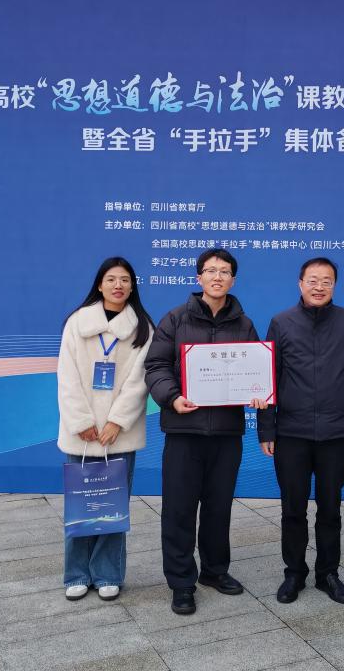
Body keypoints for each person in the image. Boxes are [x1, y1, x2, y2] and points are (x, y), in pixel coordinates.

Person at [144, 248, 259, 616]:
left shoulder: (244, 324)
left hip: (226, 433)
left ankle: (214, 570)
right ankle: (181, 582)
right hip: (184, 431)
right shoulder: (175, 319)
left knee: (218, 507)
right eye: (210, 271)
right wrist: (172, 397)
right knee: (178, 509)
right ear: (199, 278)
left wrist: (260, 392)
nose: (217, 277)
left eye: (224, 271)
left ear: (233, 280)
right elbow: (156, 366)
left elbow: (256, 369)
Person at [253, 258, 344, 605]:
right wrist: (266, 430)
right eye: (313, 280)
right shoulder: (282, 322)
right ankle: (294, 573)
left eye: (326, 281)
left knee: (330, 508)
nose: (319, 287)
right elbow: (268, 377)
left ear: (334, 285)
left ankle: (328, 573)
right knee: (292, 509)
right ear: (300, 283)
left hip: (336, 434)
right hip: (292, 433)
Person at [57, 256, 155, 602]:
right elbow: (66, 376)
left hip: (119, 434)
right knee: (81, 505)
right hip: (81, 434)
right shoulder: (77, 323)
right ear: (99, 284)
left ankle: (108, 574)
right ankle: (76, 574)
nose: (118, 285)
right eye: (111, 279)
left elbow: (140, 381)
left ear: (133, 286)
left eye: (125, 280)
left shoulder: (143, 328)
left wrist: (117, 422)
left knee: (113, 506)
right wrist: (82, 421)